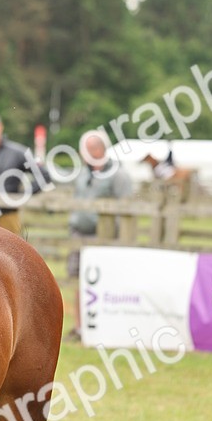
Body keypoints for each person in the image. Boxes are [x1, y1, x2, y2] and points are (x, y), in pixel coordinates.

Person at [65, 130, 133, 340]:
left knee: (100, 283)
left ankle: (102, 328)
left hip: (102, 236)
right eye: (88, 148)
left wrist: (117, 239)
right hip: (79, 233)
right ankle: (79, 327)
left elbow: (126, 208)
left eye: (96, 147)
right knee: (78, 282)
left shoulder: (118, 174)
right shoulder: (83, 174)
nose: (92, 151)